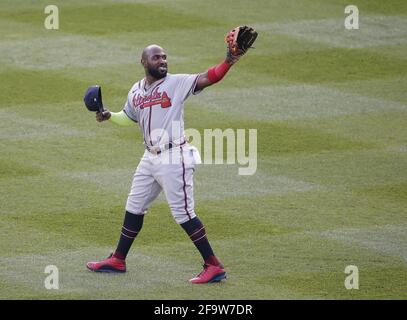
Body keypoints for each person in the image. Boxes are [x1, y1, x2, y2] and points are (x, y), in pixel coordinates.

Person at [86, 41, 245, 284]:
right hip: (149, 157)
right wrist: (109, 116)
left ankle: (213, 265)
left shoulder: (176, 83)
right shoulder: (136, 91)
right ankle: (118, 259)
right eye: (157, 58)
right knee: (134, 206)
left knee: (183, 213)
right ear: (143, 62)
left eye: (164, 57)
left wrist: (228, 62)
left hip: (174, 157)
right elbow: (128, 118)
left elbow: (209, 77)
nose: (162, 61)